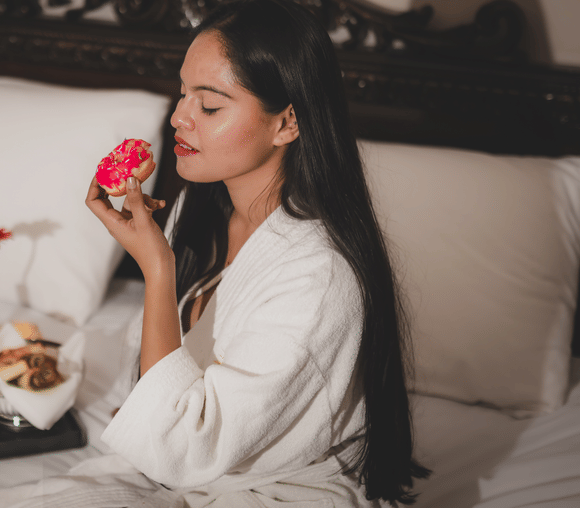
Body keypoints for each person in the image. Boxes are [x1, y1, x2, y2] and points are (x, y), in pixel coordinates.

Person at [85, 0, 431, 505]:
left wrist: (156, 269)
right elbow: (159, 386)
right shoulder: (200, 209)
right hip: (183, 471)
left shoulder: (318, 277)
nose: (179, 117)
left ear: (287, 123)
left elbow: (180, 445)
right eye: (182, 93)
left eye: (208, 106)